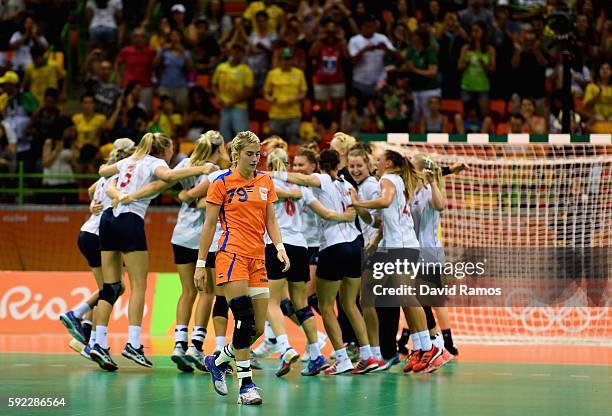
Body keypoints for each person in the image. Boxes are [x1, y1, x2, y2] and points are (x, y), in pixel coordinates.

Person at [90, 133, 216, 371]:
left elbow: (103, 172)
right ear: (165, 149)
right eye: (171, 149)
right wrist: (202, 169)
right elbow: (168, 176)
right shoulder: (155, 163)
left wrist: (116, 193)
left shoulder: (129, 160)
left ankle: (98, 342)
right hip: (130, 219)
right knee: (138, 285)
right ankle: (134, 343)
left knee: (110, 286)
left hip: (107, 219)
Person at [194, 131, 289, 405]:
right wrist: (201, 264)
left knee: (256, 328)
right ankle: (246, 386)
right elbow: (209, 225)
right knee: (244, 318)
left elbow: (270, 219)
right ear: (235, 154)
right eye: (249, 154)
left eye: (258, 154)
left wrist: (279, 247)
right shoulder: (221, 183)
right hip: (230, 254)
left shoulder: (265, 181)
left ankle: (218, 359)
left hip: (258, 258)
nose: (255, 158)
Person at [278, 149, 377, 375]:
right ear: (339, 165)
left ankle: (341, 358)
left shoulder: (323, 179)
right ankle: (367, 355)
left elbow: (302, 179)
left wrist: (273, 173)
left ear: (320, 165)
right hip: (355, 245)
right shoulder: (347, 185)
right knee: (350, 304)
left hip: (334, 247)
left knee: (324, 305)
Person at [265, 147, 356, 376]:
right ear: (287, 165)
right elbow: (325, 213)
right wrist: (344, 217)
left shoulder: (264, 183)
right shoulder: (302, 189)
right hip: (300, 247)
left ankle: (285, 347)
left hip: (277, 245)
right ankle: (316, 354)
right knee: (301, 304)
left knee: (271, 302)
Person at [351, 149, 441, 374]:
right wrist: (361, 208)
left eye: (379, 160)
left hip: (402, 246)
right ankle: (421, 348)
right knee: (404, 298)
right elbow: (381, 220)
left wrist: (358, 201)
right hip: (398, 244)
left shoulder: (388, 179)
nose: (376, 162)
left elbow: (385, 201)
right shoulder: (397, 179)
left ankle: (430, 347)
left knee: (408, 297)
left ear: (388, 163)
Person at [59, 139, 135, 358]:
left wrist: (94, 204)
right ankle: (79, 318)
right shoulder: (123, 176)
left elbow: (92, 190)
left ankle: (86, 335)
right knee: (112, 289)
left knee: (112, 289)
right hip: (100, 235)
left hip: (88, 233)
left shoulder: (106, 175)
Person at [263, 47, 307, 145]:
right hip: (276, 114)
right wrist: (271, 99)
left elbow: (303, 93)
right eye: (284, 59)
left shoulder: (299, 73)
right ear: (280, 60)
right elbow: (266, 93)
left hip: (293, 114)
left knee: (293, 141)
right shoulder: (272, 74)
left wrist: (295, 98)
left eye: (288, 59)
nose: (286, 61)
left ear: (292, 60)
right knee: (275, 142)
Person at [212, 44, 253, 143]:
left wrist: (232, 102)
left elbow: (248, 92)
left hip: (239, 107)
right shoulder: (221, 67)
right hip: (224, 106)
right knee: (224, 135)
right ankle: (225, 157)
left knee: (242, 136)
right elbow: (214, 85)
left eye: (239, 52)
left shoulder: (246, 70)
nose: (236, 54)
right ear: (230, 53)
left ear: (243, 54)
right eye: (234, 51)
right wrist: (218, 96)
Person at [348, 15, 397, 99]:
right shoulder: (354, 40)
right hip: (360, 81)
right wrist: (364, 50)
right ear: (362, 27)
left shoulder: (382, 38)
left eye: (372, 26)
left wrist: (386, 49)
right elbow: (352, 61)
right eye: (367, 26)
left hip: (380, 81)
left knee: (382, 107)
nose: (370, 29)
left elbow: (396, 57)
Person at [458, 21, 496, 118]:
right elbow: (459, 67)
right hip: (467, 86)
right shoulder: (465, 48)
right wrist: (467, 62)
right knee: (466, 115)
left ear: (483, 32)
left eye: (477, 31)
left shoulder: (490, 49)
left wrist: (483, 64)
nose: (474, 33)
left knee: (484, 115)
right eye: (472, 31)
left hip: (482, 87)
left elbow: (492, 70)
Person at [154, 29, 193, 112]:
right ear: (169, 38)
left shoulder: (186, 52)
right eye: (172, 36)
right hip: (165, 85)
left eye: (177, 35)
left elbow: (190, 68)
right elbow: (155, 65)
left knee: (181, 111)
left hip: (181, 86)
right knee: (164, 111)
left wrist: (183, 53)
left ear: (180, 38)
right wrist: (163, 50)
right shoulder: (163, 50)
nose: (174, 38)